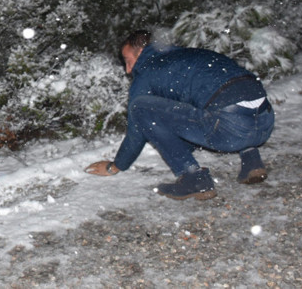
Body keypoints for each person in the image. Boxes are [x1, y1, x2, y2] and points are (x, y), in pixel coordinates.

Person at [85, 30, 275, 200]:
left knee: (140, 107)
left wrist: (116, 166)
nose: (128, 70)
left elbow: (137, 130)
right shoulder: (189, 55)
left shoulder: (147, 72)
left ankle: (194, 179)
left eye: (128, 61)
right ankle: (252, 161)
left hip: (229, 129)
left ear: (141, 52)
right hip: (264, 122)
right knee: (224, 101)